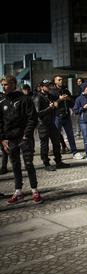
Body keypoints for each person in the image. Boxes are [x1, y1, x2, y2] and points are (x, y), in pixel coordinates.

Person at [0, 75, 41, 205]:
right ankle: (18, 191)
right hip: (10, 140)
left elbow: (32, 118)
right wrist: (2, 139)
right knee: (15, 165)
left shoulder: (24, 99)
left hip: (24, 138)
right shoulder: (2, 102)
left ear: (13, 84)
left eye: (6, 84)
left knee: (29, 164)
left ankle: (35, 190)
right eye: (2, 84)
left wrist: (26, 135)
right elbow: (0, 122)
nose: (3, 87)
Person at [33, 80, 70, 171]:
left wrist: (59, 100)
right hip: (43, 124)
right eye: (46, 86)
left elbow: (56, 101)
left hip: (51, 123)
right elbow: (38, 113)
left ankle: (58, 161)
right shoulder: (38, 98)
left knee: (56, 142)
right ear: (41, 87)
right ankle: (46, 163)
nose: (49, 87)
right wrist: (50, 108)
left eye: (49, 85)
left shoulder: (49, 96)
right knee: (45, 145)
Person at [50, 75, 83, 160]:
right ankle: (57, 155)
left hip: (66, 115)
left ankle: (75, 152)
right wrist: (59, 99)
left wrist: (68, 98)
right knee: (56, 136)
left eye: (62, 79)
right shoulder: (52, 92)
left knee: (70, 135)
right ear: (55, 81)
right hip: (57, 116)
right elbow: (52, 105)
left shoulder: (66, 90)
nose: (61, 81)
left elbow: (72, 103)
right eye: (59, 80)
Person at [74, 83, 87, 163]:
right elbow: (75, 111)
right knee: (86, 140)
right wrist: (83, 108)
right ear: (83, 89)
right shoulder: (79, 99)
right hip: (84, 122)